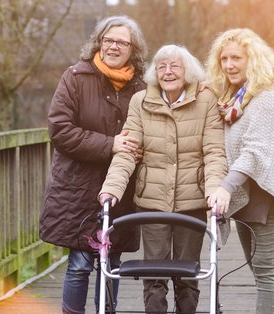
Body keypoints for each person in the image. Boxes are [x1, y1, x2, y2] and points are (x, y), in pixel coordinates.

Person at [99, 44, 230, 314]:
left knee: (188, 273)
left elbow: (215, 152)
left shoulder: (206, 100)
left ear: (188, 71)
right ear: (154, 73)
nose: (168, 72)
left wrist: (215, 189)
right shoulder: (141, 101)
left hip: (192, 201)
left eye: (175, 66)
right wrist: (111, 188)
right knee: (153, 273)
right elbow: (127, 153)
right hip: (152, 202)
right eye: (162, 67)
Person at [39, 15, 148, 314]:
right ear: (98, 42)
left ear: (132, 48)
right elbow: (59, 130)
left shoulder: (143, 86)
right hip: (78, 187)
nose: (113, 47)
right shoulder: (75, 77)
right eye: (108, 40)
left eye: (121, 42)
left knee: (112, 262)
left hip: (120, 188)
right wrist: (110, 143)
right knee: (79, 264)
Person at [205, 28, 274, 314]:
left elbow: (256, 151)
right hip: (248, 196)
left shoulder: (268, 97)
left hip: (269, 196)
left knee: (266, 271)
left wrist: (225, 186)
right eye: (224, 59)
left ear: (254, 59)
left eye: (236, 58)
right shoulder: (234, 99)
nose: (229, 65)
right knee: (257, 268)